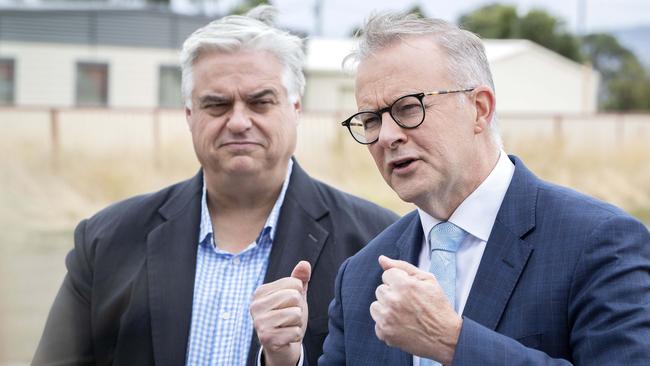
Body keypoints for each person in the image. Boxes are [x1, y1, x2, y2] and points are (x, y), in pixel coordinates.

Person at [31, 6, 397, 366]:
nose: (238, 122)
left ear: (295, 108)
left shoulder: (373, 246)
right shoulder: (106, 241)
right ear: (190, 115)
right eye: (217, 105)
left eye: (260, 102)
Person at [315, 11, 650, 366]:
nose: (387, 136)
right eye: (371, 120)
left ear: (479, 109)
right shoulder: (360, 278)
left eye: (408, 108)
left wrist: (451, 342)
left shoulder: (598, 242)